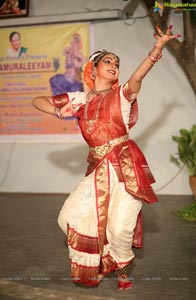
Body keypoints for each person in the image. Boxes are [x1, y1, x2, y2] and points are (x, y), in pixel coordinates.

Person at [32, 25, 180, 291]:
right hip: (98, 168)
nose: (114, 65)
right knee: (68, 217)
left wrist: (157, 49)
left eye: (117, 63)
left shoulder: (121, 95)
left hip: (125, 168)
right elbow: (38, 101)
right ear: (93, 68)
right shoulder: (79, 99)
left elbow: (137, 78)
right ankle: (100, 259)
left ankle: (123, 273)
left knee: (120, 228)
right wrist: (59, 112)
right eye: (108, 61)